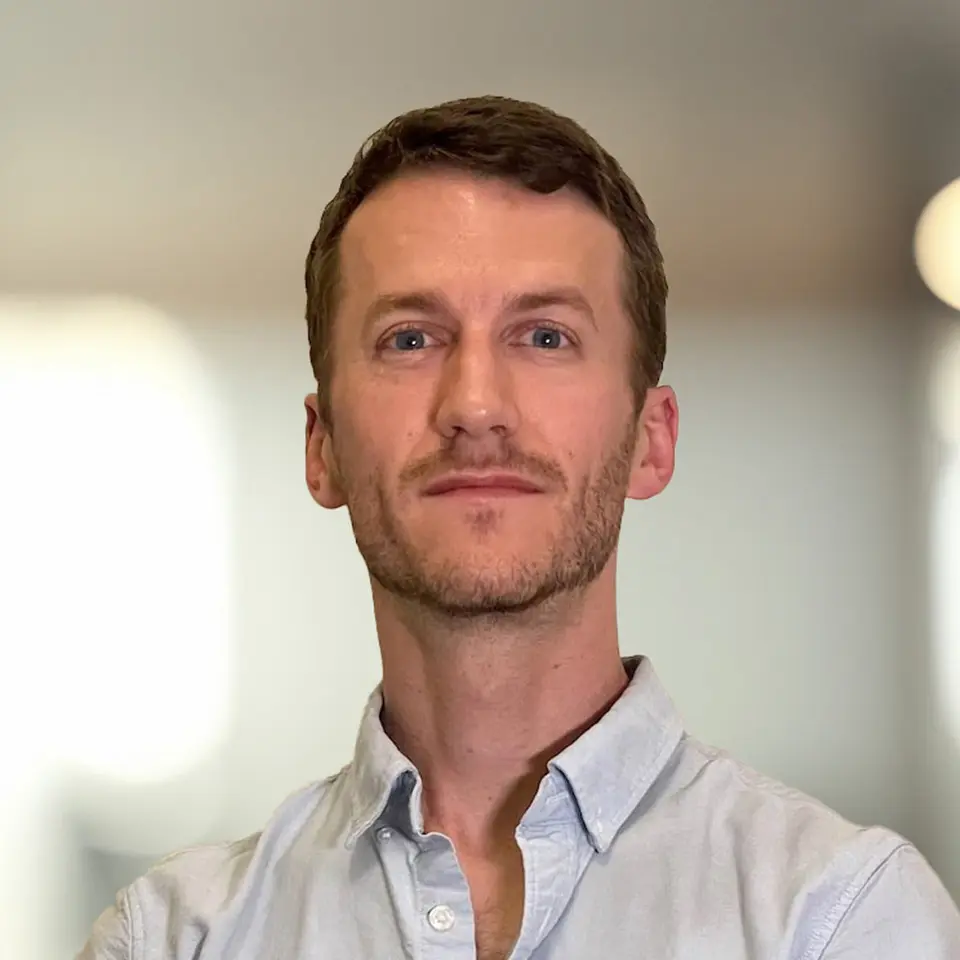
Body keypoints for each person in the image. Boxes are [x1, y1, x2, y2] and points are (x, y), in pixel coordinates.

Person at [79, 95, 960, 960]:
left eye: (543, 337)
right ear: (324, 449)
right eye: (410, 339)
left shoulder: (840, 917)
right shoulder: (169, 938)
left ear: (652, 440)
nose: (474, 406)